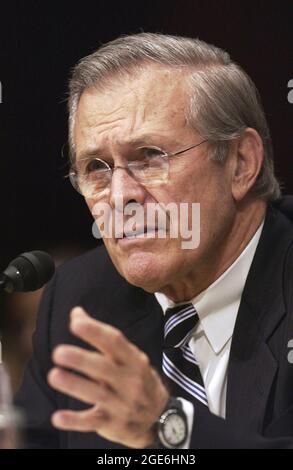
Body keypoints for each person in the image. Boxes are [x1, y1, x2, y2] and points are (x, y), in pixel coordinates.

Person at [14, 33, 293, 449]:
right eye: (95, 167)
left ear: (240, 164)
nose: (120, 195)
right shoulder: (79, 300)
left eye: (150, 156)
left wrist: (168, 426)